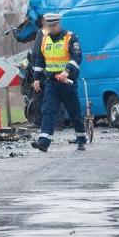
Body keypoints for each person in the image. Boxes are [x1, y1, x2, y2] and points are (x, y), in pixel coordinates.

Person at [30, 13, 86, 152]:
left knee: (74, 112)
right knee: (48, 110)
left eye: (54, 25)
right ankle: (44, 142)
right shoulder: (44, 39)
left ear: (59, 24)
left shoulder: (70, 37)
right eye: (49, 26)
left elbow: (77, 57)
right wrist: (37, 78)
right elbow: (40, 60)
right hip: (51, 82)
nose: (52, 28)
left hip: (67, 82)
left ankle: (81, 138)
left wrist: (66, 71)